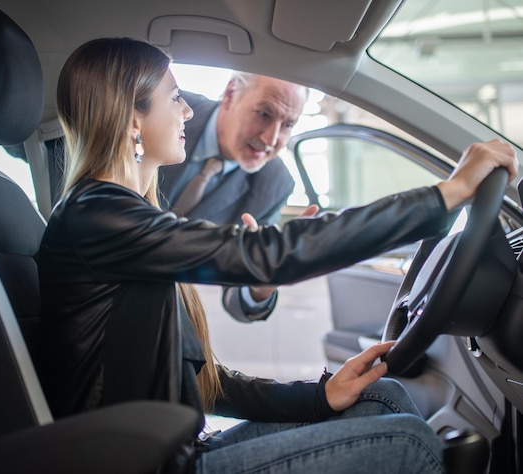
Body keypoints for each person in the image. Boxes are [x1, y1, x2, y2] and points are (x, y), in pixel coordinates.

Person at [36, 37, 518, 474]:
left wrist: (318, 396)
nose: (186, 112)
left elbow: (203, 382)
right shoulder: (98, 214)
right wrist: (446, 194)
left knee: (384, 399)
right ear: (133, 117)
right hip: (146, 461)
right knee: (409, 443)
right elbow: (264, 255)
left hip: (177, 443)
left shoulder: (121, 213)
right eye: (174, 97)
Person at [159, 72, 311, 322]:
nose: (270, 139)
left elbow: (237, 297)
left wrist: (263, 282)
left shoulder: (275, 183)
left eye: (288, 125)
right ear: (230, 94)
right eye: (264, 114)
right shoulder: (172, 108)